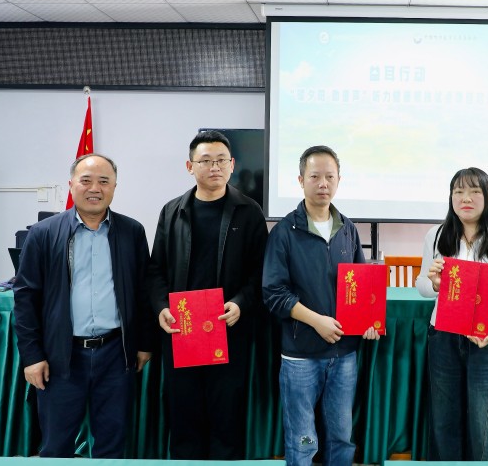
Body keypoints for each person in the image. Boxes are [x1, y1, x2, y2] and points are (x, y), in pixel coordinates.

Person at [13, 154, 152, 458]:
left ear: (114, 187)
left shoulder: (132, 232)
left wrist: (143, 343)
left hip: (115, 354)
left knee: (112, 445)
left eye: (104, 181)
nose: (95, 188)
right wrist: (32, 356)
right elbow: (25, 299)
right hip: (61, 356)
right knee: (56, 446)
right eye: (86, 180)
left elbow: (143, 292)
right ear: (71, 184)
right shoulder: (43, 233)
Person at [147, 130, 268, 460]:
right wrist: (161, 307)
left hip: (228, 331)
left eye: (221, 160)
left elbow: (262, 272)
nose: (214, 167)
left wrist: (241, 303)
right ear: (190, 166)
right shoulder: (172, 212)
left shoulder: (249, 211)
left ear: (232, 165)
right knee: (184, 419)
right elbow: (156, 270)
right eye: (205, 161)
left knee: (226, 419)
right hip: (182, 330)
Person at [262, 145, 380, 466]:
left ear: (339, 180)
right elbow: (273, 293)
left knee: (341, 438)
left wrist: (368, 322)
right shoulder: (284, 232)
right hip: (300, 355)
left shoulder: (348, 229)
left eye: (330, 176)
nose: (323, 183)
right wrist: (316, 321)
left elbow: (361, 289)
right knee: (303, 440)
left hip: (343, 355)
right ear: (301, 180)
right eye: (315, 176)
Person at [415, 167, 488, 460]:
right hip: (443, 336)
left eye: (474, 191)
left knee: (483, 423)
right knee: (444, 420)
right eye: (459, 192)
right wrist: (435, 283)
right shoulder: (437, 234)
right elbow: (422, 287)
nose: (465, 198)